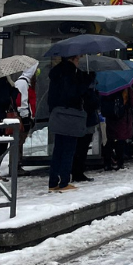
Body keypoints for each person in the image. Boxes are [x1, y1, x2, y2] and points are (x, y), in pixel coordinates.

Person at [46, 54, 92, 192]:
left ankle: (53, 182)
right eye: (78, 59)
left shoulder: (56, 73)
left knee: (58, 149)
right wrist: (86, 81)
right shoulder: (70, 74)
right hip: (70, 115)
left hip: (58, 114)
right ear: (72, 59)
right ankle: (64, 182)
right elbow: (73, 94)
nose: (79, 61)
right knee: (68, 150)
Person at [101, 85, 133, 171]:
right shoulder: (126, 87)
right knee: (121, 139)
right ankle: (120, 162)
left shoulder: (106, 87)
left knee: (110, 140)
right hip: (122, 117)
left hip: (110, 117)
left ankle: (107, 162)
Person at [72, 79, 101, 182]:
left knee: (79, 148)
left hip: (80, 121)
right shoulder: (88, 92)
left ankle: (76, 171)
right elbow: (95, 104)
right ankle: (78, 172)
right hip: (87, 122)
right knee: (82, 148)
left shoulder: (78, 89)